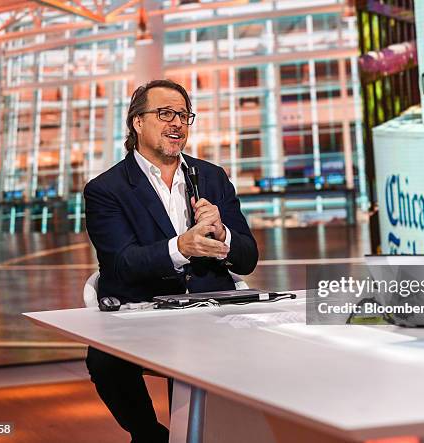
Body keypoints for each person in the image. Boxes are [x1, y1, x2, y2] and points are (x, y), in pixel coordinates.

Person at [83, 79, 258, 443]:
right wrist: (183, 247)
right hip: (144, 310)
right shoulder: (106, 189)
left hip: (212, 309)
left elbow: (248, 258)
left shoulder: (211, 176)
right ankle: (150, 436)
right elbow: (121, 264)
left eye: (183, 115)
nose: (177, 123)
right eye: (165, 113)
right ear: (138, 122)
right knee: (103, 361)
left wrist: (223, 235)